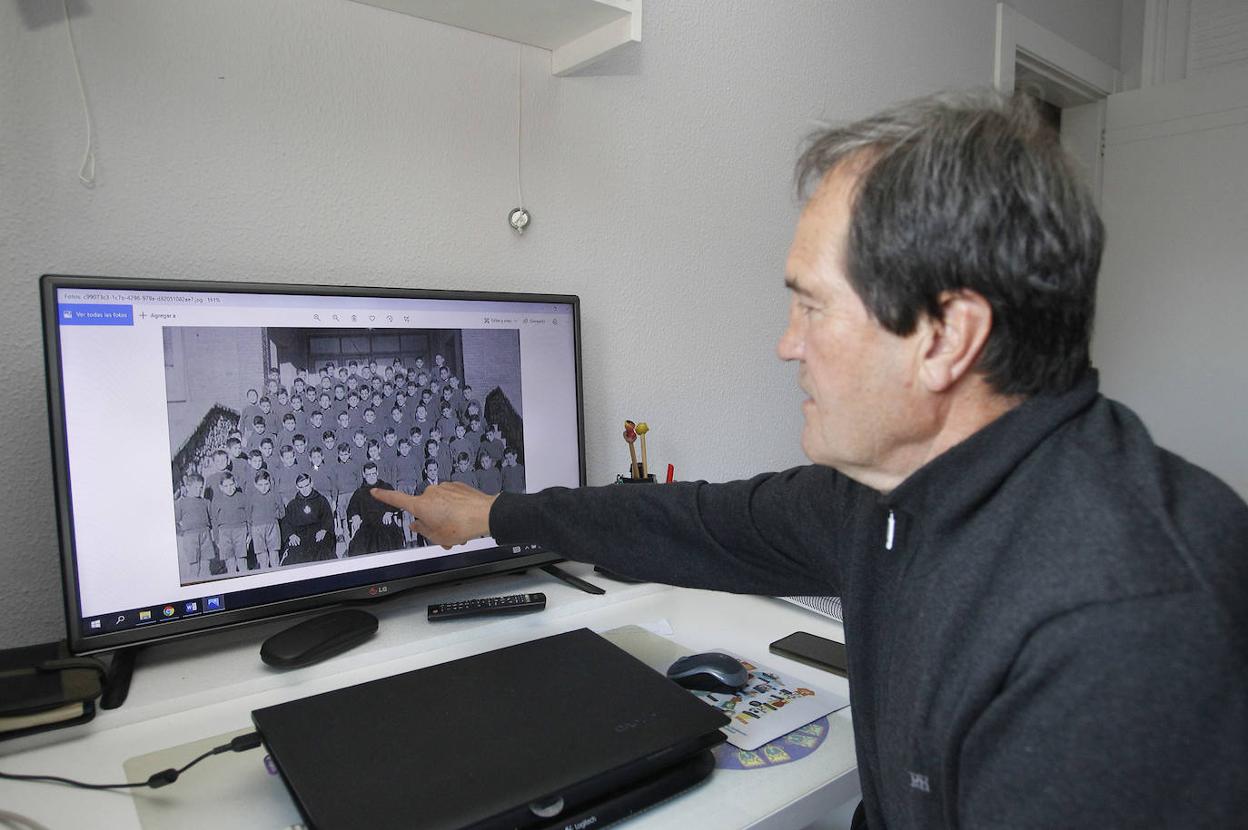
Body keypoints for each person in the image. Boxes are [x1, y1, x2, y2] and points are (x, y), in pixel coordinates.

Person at [371, 89, 1248, 828]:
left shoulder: (1127, 625)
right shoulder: (893, 490)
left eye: (813, 307)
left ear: (946, 337)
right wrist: (491, 514)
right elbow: (694, 520)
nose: (786, 345)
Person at [345, 462, 403, 556]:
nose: (371, 477)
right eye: (368, 474)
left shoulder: (386, 487)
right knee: (359, 546)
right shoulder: (359, 492)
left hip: (385, 522)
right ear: (364, 475)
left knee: (390, 539)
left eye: (373, 474)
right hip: (367, 525)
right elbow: (352, 508)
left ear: (377, 473)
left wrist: (389, 512)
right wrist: (355, 516)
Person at [281, 472, 335, 564]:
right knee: (293, 554)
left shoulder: (321, 500)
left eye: (306, 485)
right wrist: (291, 535)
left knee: (324, 552)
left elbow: (328, 518)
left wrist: (324, 530)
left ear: (311, 483)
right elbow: (286, 522)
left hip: (318, 533)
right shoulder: (292, 504)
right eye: (301, 487)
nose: (304, 489)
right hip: (299, 536)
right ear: (297, 487)